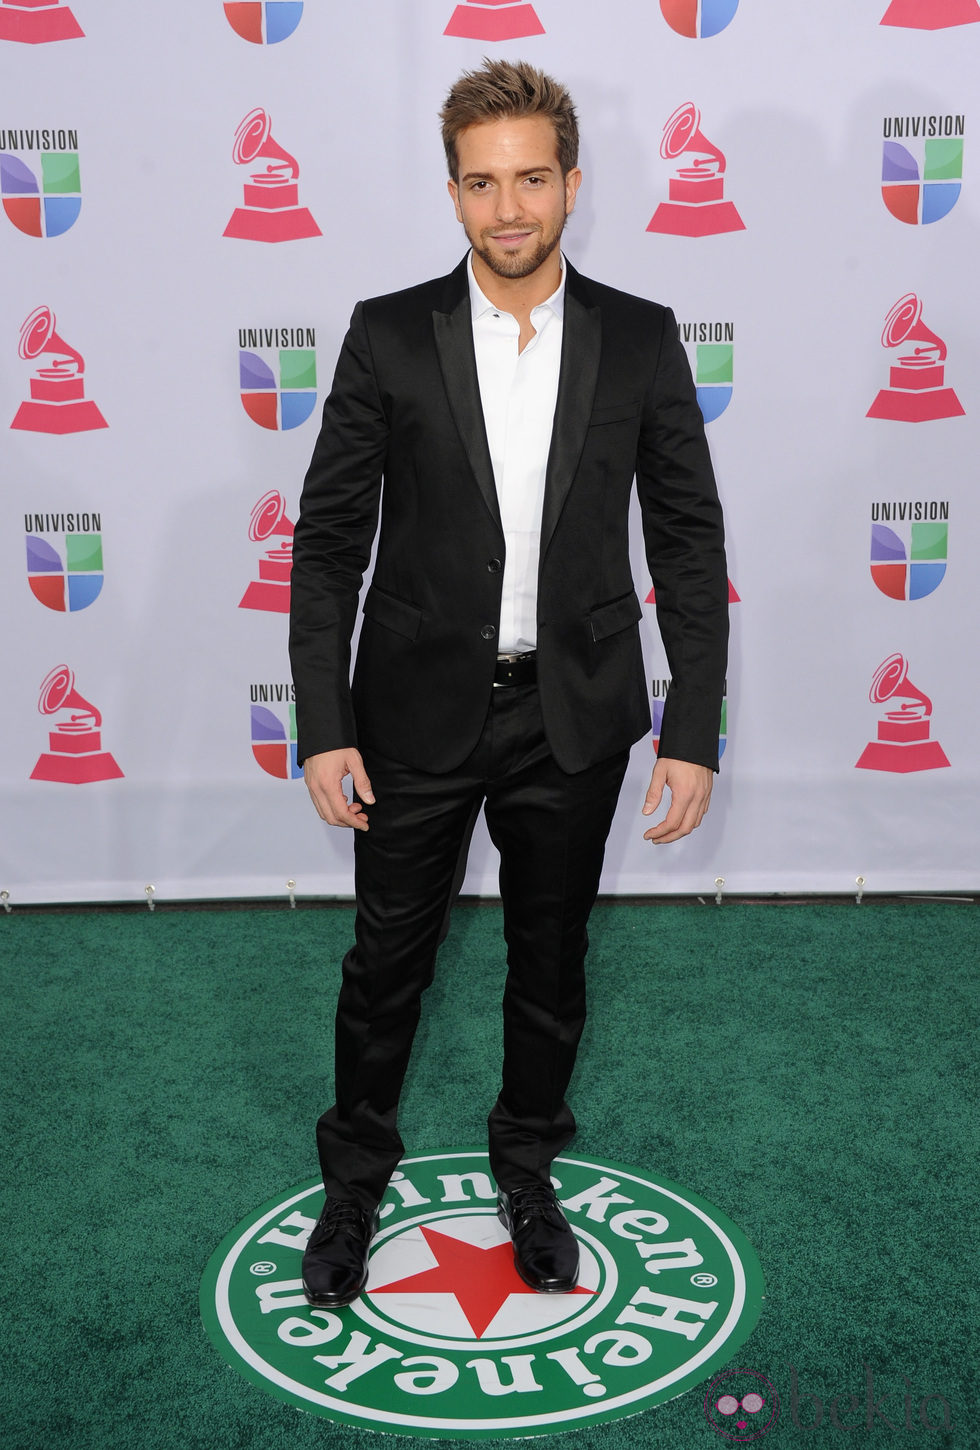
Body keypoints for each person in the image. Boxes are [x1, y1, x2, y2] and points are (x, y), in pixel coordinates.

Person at [288, 58, 729, 1309]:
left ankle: (525, 1165)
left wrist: (688, 728)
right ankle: (354, 1181)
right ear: (452, 193)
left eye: (530, 178)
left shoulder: (639, 337)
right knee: (385, 965)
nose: (507, 208)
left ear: (571, 184)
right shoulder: (386, 332)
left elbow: (685, 544)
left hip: (570, 713)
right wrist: (324, 724)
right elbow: (327, 547)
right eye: (481, 184)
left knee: (549, 962)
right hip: (412, 713)